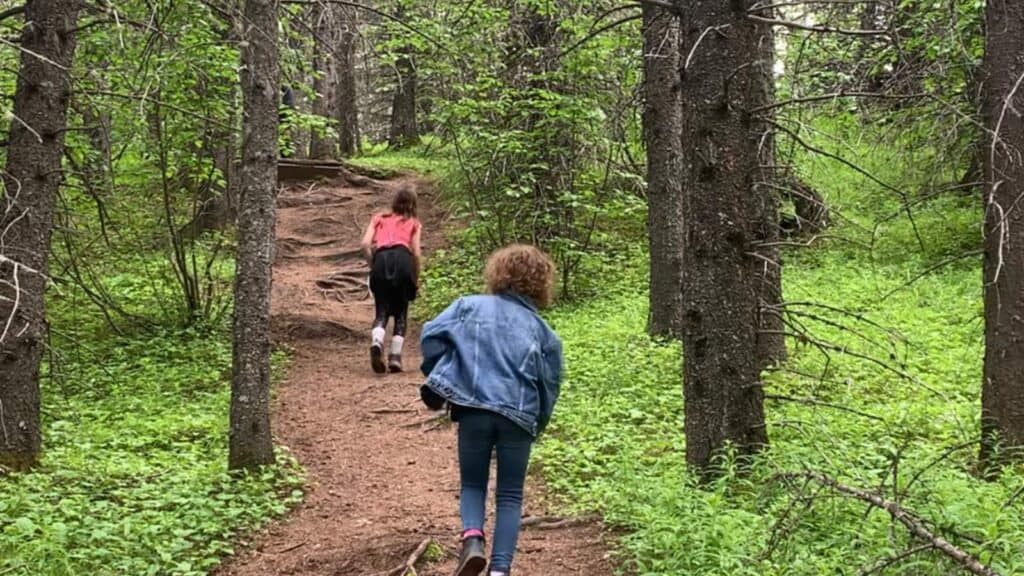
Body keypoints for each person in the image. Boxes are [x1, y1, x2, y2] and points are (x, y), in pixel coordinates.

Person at [418, 244, 563, 576]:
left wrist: (445, 371)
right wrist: (536, 423)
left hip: (473, 410)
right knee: (510, 496)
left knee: (473, 484)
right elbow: (550, 385)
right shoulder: (544, 332)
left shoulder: (468, 306)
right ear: (541, 283)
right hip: (519, 417)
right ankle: (500, 570)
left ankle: (472, 540)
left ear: (499, 272)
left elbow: (430, 336)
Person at [360, 186, 422, 373]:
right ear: (413, 204)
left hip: (381, 259)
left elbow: (364, 244)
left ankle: (377, 342)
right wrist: (415, 276)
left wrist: (373, 264)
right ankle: (395, 357)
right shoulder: (414, 223)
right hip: (403, 259)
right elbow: (417, 254)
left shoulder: (378, 219)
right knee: (401, 312)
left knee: (381, 311)